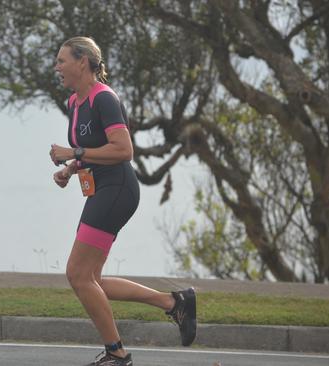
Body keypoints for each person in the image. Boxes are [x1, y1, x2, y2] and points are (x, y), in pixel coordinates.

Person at [49, 36, 197, 366]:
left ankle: (117, 354)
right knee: (92, 280)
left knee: (77, 275)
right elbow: (94, 148)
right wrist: (72, 169)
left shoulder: (104, 99)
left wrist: (73, 152)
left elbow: (123, 150)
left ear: (82, 62)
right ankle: (175, 304)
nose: (56, 66)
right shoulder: (75, 102)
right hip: (103, 188)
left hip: (117, 189)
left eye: (62, 60)